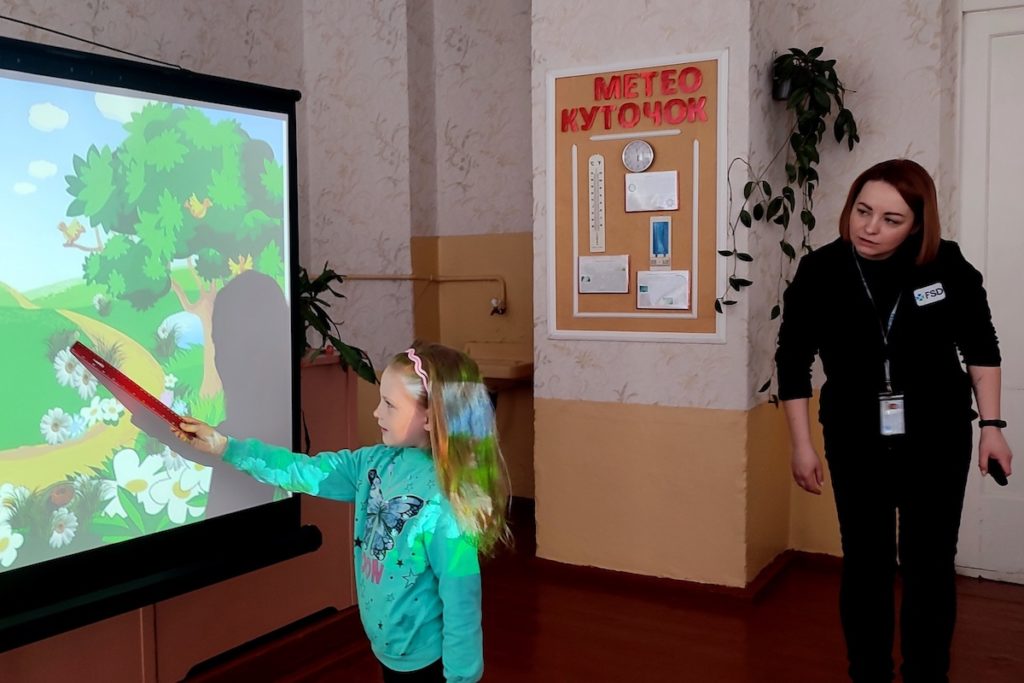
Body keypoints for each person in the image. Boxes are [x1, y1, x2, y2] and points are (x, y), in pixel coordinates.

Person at [775, 158, 1013, 683]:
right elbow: (791, 364)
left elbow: (981, 347)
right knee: (866, 565)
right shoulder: (821, 271)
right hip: (855, 436)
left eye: (890, 219)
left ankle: (928, 674)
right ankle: (870, 673)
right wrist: (802, 445)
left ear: (918, 225)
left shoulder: (946, 267)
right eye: (862, 211)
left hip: (938, 435)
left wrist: (992, 426)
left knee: (929, 566)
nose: (869, 228)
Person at [174, 342, 510, 683]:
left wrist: (462, 679)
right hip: (389, 653)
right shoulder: (372, 465)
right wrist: (225, 447)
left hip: (429, 666)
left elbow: (461, 606)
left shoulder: (446, 507)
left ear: (429, 417)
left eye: (390, 405)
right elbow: (299, 470)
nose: (376, 413)